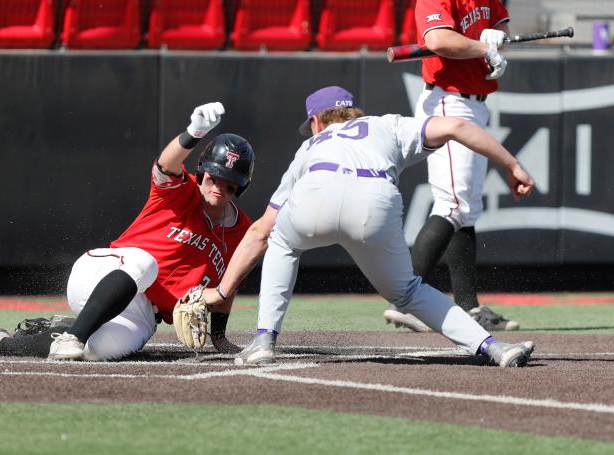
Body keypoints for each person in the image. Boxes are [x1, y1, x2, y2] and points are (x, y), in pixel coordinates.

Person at [200, 85, 535, 368]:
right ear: (354, 113)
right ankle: (495, 348)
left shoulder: (310, 146)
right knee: (407, 292)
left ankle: (263, 341)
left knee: (282, 242)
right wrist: (512, 165)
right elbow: (459, 127)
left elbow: (259, 232)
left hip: (318, 189)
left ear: (317, 121)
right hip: (375, 199)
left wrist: (221, 291)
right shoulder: (386, 125)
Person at [0, 102, 254, 361]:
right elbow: (166, 163)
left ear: (240, 187)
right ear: (203, 171)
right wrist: (193, 134)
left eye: (229, 184)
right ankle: (75, 334)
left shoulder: (242, 231)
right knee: (145, 264)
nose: (218, 187)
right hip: (105, 271)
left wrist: (219, 336)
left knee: (98, 351)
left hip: (144, 311)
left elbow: (230, 285)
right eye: (214, 177)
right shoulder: (179, 191)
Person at [383, 0, 518, 333]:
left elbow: (501, 27)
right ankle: (404, 300)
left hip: (475, 103)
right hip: (449, 101)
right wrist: (484, 48)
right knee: (454, 204)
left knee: (466, 208)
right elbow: (439, 40)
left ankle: (468, 306)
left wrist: (496, 38)